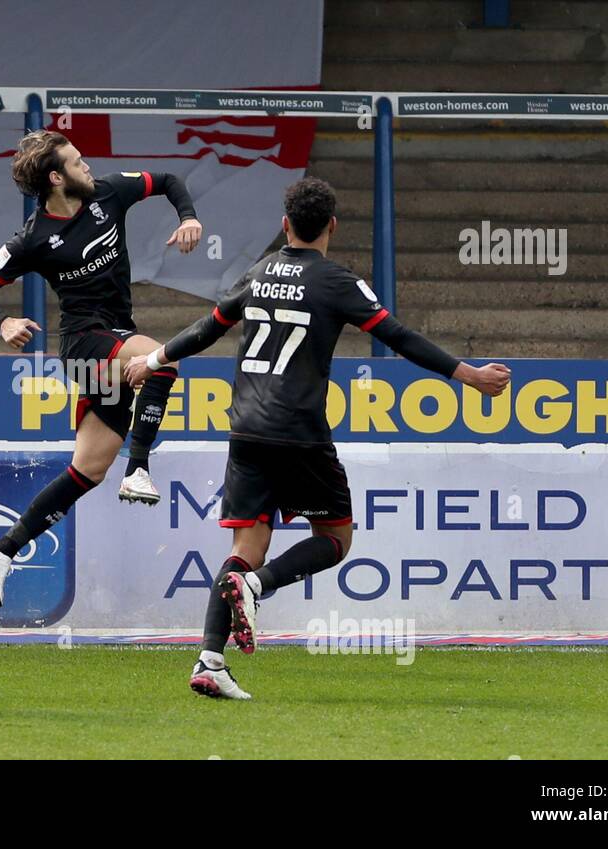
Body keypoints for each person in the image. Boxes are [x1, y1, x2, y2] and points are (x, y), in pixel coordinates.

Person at [124, 177, 511, 699]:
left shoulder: (257, 274)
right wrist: (467, 375)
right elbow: (396, 336)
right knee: (335, 539)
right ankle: (256, 587)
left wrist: (152, 359)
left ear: (285, 225)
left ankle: (210, 661)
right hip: (298, 432)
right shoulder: (337, 282)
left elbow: (207, 329)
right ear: (331, 225)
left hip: (245, 430)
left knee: (246, 545)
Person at [0, 129, 203, 606]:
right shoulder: (32, 238)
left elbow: (169, 180)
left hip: (112, 340)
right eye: (77, 162)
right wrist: (4, 320)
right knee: (161, 360)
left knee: (88, 471)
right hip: (83, 345)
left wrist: (189, 218)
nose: (87, 166)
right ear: (56, 178)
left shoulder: (110, 193)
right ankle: (138, 469)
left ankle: (1, 549)